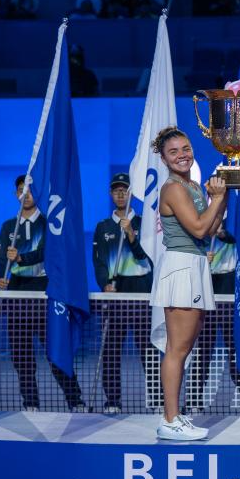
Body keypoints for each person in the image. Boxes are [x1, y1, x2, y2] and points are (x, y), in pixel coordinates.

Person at [150, 127, 229, 440]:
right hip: (182, 267)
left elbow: (211, 229)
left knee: (183, 348)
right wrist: (217, 198)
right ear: (164, 159)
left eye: (185, 148)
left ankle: (175, 417)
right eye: (174, 152)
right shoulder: (173, 189)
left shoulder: (193, 186)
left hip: (195, 265)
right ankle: (170, 420)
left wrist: (221, 197)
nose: (182, 155)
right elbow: (198, 229)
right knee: (177, 350)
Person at [0, 175, 85, 412]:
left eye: (30, 190)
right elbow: (0, 259)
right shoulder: (8, 226)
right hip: (17, 297)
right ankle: (31, 403)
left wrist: (21, 257)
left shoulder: (48, 224)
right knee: (22, 358)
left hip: (45, 296)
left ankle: (75, 400)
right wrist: (0, 277)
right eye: (21, 190)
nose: (26, 194)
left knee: (56, 353)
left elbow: (48, 253)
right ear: (16, 194)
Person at [92, 173, 154, 414]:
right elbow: (98, 262)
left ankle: (157, 399)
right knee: (111, 352)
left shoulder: (144, 224)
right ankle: (113, 400)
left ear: (131, 194)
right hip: (114, 295)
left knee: (148, 352)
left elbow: (145, 257)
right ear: (111, 194)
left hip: (140, 294)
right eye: (116, 190)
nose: (120, 194)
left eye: (124, 190)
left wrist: (131, 235)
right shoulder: (102, 227)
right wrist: (104, 285)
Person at [193, 224, 240, 412]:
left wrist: (221, 232)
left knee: (235, 350)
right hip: (207, 286)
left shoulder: (233, 220)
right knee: (203, 352)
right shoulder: (199, 221)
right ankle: (194, 401)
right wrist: (202, 259)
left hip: (229, 289)